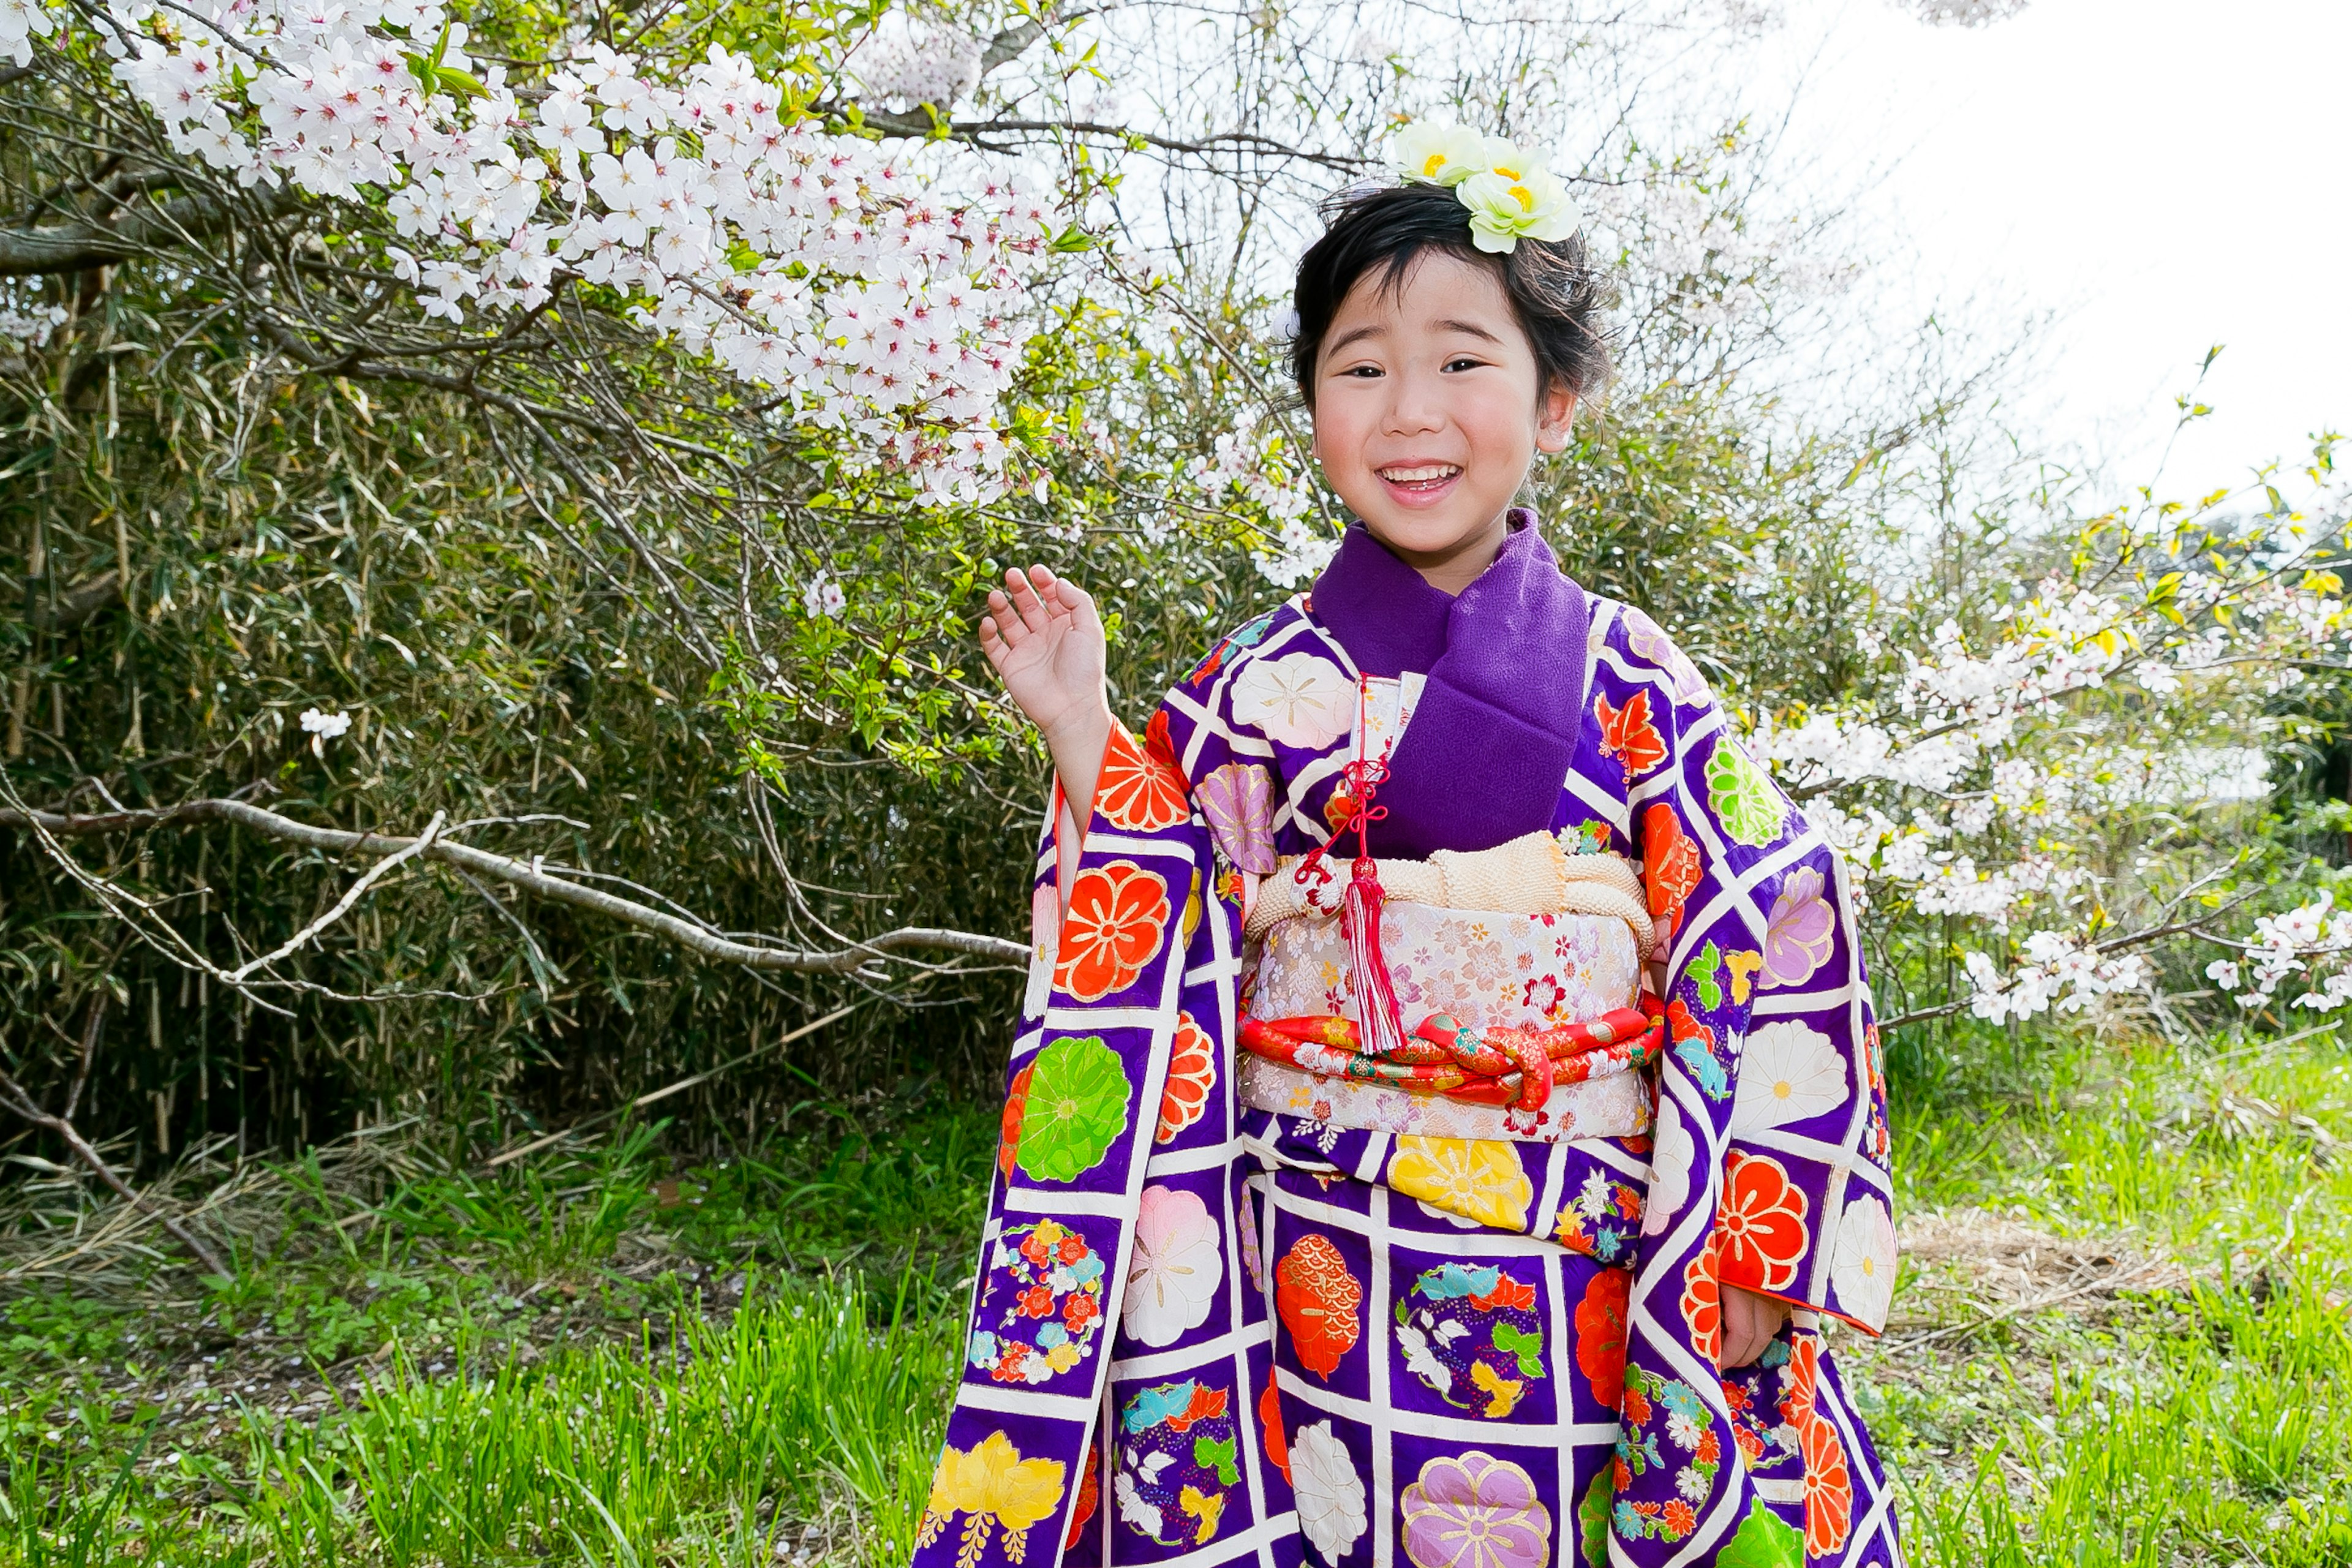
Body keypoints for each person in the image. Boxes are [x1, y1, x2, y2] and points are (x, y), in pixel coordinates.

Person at [914, 121, 1902, 1568]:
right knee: (1334, 1514)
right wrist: (1081, 725)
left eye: (1462, 360)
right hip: (1312, 1228)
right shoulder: (1256, 680)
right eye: (1360, 367)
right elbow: (1160, 894)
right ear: (1313, 404)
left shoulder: (1632, 670)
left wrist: (1755, 1233)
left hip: (1581, 1243)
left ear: (1555, 403)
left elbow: (1772, 914)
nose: (1407, 409)